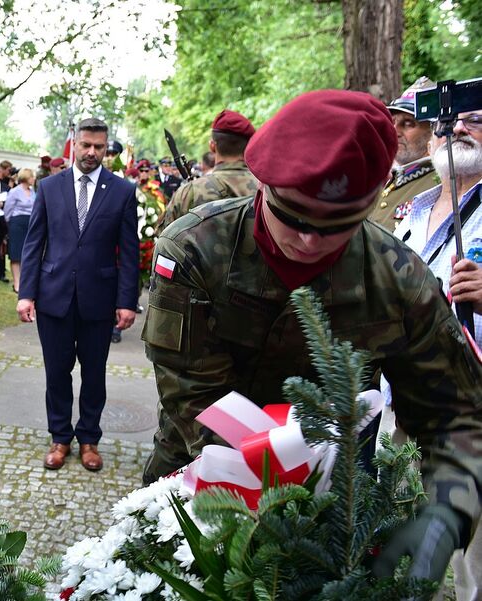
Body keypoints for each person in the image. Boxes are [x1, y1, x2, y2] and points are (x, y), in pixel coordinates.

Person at [140, 90, 482, 591]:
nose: (307, 241)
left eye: (335, 228)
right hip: (199, 479)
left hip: (339, 505)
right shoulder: (194, 251)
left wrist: (443, 517)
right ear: (265, 186)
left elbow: (456, 414)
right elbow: (196, 397)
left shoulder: (399, 280)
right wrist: (282, 491)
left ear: (369, 203)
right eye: (293, 216)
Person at [383, 106, 482, 601]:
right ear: (430, 146)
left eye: (476, 119)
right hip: (398, 407)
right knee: (386, 539)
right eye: (449, 121)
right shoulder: (409, 209)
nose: (458, 128)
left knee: (475, 564)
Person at [17, 117, 139, 472]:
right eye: (86, 145)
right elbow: (34, 242)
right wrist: (26, 293)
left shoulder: (122, 191)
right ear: (74, 143)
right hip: (53, 296)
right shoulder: (50, 187)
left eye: (99, 147)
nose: (91, 152)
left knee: (94, 374)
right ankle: (59, 438)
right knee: (56, 373)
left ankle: (89, 440)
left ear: (106, 149)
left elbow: (129, 253)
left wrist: (127, 301)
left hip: (99, 300)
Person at [157, 109, 258, 234]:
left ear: (212, 146)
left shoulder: (189, 192)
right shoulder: (268, 189)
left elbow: (165, 238)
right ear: (249, 145)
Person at [370, 77, 438, 232]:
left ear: (434, 131)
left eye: (408, 123)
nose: (395, 131)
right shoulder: (386, 179)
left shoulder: (441, 183)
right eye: (393, 122)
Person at [4, 168, 36, 293]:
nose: (34, 179)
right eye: (32, 176)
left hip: (30, 224)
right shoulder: (14, 191)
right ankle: (16, 283)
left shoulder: (33, 192)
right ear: (26, 177)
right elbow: (8, 209)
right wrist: (10, 224)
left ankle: (24, 282)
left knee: (26, 254)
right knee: (16, 254)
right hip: (17, 224)